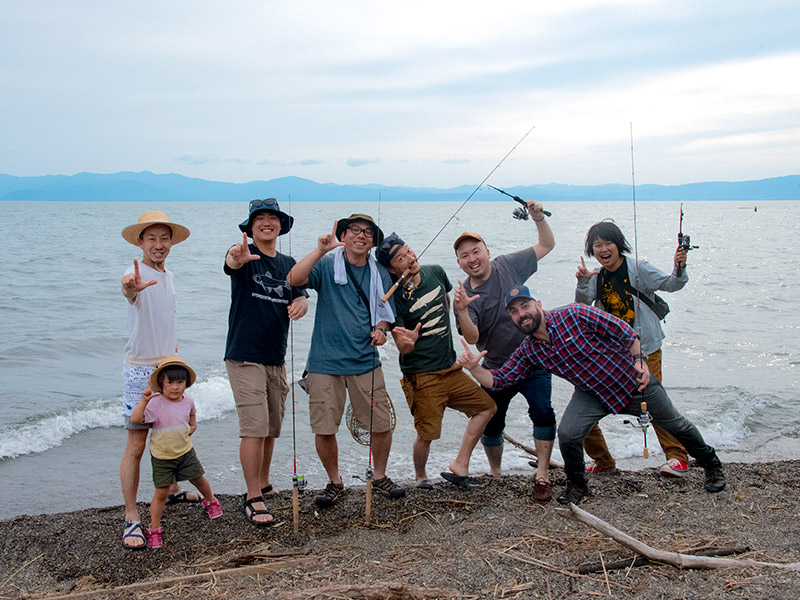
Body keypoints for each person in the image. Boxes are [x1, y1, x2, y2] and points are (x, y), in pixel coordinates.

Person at [457, 285, 726, 505]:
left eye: (525, 306)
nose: (521, 314)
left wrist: (640, 362)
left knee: (674, 423)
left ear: (538, 304)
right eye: (514, 312)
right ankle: (578, 485)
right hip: (592, 394)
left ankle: (710, 463)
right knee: (568, 433)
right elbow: (500, 379)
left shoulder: (574, 314)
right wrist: (474, 369)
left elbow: (625, 332)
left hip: (630, 382)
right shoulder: (530, 349)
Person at [287, 214, 405, 506]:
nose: (361, 236)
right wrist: (320, 250)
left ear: (373, 241)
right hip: (324, 363)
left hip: (365, 360)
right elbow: (294, 278)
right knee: (324, 427)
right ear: (343, 234)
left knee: (381, 424)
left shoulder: (380, 273)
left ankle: (379, 477)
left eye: (367, 232)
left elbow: (385, 317)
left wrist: (380, 331)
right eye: (355, 230)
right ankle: (334, 481)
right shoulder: (328, 264)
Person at [452, 198, 557, 502]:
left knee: (542, 412)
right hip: (496, 367)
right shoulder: (465, 295)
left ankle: (542, 474)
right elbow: (471, 338)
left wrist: (537, 218)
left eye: (476, 251)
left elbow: (547, 245)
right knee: (493, 420)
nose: (472, 259)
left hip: (535, 359)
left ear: (487, 251)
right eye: (464, 255)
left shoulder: (507, 264)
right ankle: (495, 470)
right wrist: (460, 311)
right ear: (458, 262)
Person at [376, 233, 496, 490]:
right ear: (391, 268)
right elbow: (400, 343)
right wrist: (406, 343)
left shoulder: (436, 272)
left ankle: (459, 464)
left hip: (451, 368)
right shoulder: (393, 297)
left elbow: (448, 301)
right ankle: (420, 476)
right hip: (422, 376)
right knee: (427, 434)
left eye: (409, 251)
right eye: (401, 258)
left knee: (487, 407)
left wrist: (461, 310)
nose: (410, 258)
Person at [575, 220, 690, 478]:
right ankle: (603, 462)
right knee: (585, 400)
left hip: (647, 349)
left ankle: (678, 458)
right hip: (611, 353)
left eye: (608, 243)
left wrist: (679, 267)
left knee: (655, 403)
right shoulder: (596, 275)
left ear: (619, 245)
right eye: (597, 245)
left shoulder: (639, 268)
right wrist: (583, 283)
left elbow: (673, 284)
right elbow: (582, 309)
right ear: (592, 250)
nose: (604, 249)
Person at [224, 199, 308, 526]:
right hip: (244, 355)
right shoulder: (245, 256)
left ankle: (263, 481)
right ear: (251, 227)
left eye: (273, 218)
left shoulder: (288, 263)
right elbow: (232, 263)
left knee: (272, 426)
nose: (267, 223)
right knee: (254, 427)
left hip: (276, 357)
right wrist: (236, 257)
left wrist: (300, 301)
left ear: (280, 226)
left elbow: (299, 292)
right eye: (260, 219)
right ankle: (251, 495)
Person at [119, 211, 193, 550]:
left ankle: (172, 490)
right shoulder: (136, 274)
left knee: (170, 434)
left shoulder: (169, 275)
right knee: (135, 445)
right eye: (152, 239)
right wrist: (131, 287)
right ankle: (132, 514)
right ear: (140, 242)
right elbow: (129, 290)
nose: (159, 245)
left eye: (164, 239)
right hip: (140, 372)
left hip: (167, 367)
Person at [130, 357, 222, 549]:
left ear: (186, 384)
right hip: (162, 457)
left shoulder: (187, 401)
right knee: (161, 493)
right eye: (170, 382)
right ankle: (154, 528)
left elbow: (192, 413)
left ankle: (211, 501)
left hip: (185, 452)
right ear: (161, 384)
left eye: (180, 382)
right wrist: (144, 400)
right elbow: (136, 418)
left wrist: (193, 424)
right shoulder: (155, 403)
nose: (175, 387)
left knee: (199, 479)